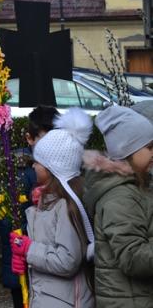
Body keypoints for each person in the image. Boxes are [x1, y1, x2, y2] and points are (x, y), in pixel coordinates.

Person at [10, 107, 95, 308]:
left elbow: (68, 260)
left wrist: (29, 249)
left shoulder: (64, 205)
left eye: (38, 162)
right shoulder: (46, 201)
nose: (33, 166)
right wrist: (26, 256)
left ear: (52, 168)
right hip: (51, 297)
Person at [84, 103, 153, 308]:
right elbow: (132, 257)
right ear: (127, 150)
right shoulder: (119, 197)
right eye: (149, 147)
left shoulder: (138, 186)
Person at [0, 105, 60, 308]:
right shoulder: (20, 173)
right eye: (45, 139)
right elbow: (10, 221)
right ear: (30, 139)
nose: (50, 146)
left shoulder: (62, 168)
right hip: (25, 261)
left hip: (49, 261)